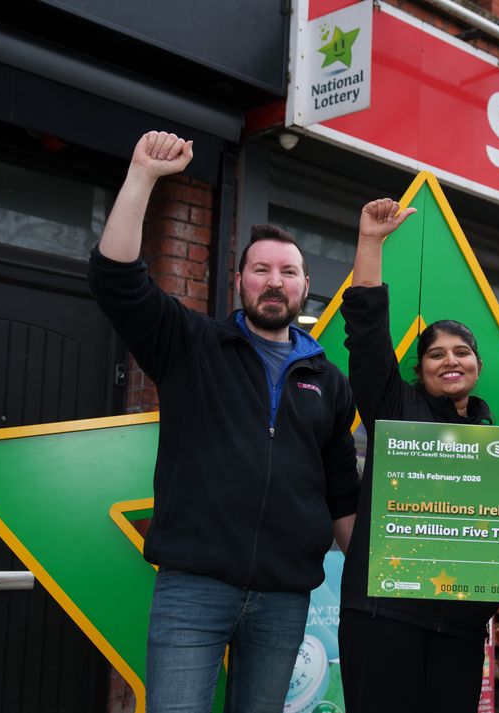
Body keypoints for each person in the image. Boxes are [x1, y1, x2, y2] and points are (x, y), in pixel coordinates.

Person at [88, 131, 360, 711]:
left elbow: (340, 493)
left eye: (288, 271)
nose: (274, 281)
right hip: (194, 588)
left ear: (306, 287)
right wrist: (141, 174)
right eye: (260, 269)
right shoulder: (191, 344)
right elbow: (117, 281)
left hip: (286, 598)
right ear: (240, 282)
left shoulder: (328, 381)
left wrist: (371, 582)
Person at [337, 198, 499, 712]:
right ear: (420, 367)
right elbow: (364, 334)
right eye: (436, 353)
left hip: (460, 625)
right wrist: (371, 243)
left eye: (461, 351)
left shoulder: (495, 435)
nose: (450, 360)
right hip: (384, 615)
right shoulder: (393, 405)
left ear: (476, 363)